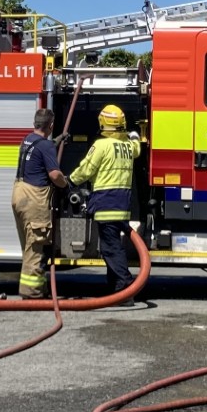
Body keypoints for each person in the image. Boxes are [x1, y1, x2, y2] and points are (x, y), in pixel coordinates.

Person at [69, 104, 139, 295]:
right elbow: (137, 148)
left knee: (110, 250)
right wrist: (134, 135)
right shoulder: (127, 146)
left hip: (106, 204)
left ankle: (125, 287)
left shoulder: (101, 145)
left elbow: (86, 169)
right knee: (114, 245)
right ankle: (115, 288)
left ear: (103, 123)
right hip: (122, 205)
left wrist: (69, 182)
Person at [12, 108, 68, 299]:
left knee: (28, 245)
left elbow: (41, 148)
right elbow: (54, 174)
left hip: (19, 193)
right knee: (36, 246)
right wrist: (65, 184)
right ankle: (32, 292)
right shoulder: (46, 147)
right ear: (50, 125)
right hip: (34, 197)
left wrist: (58, 140)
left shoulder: (27, 140)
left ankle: (36, 288)